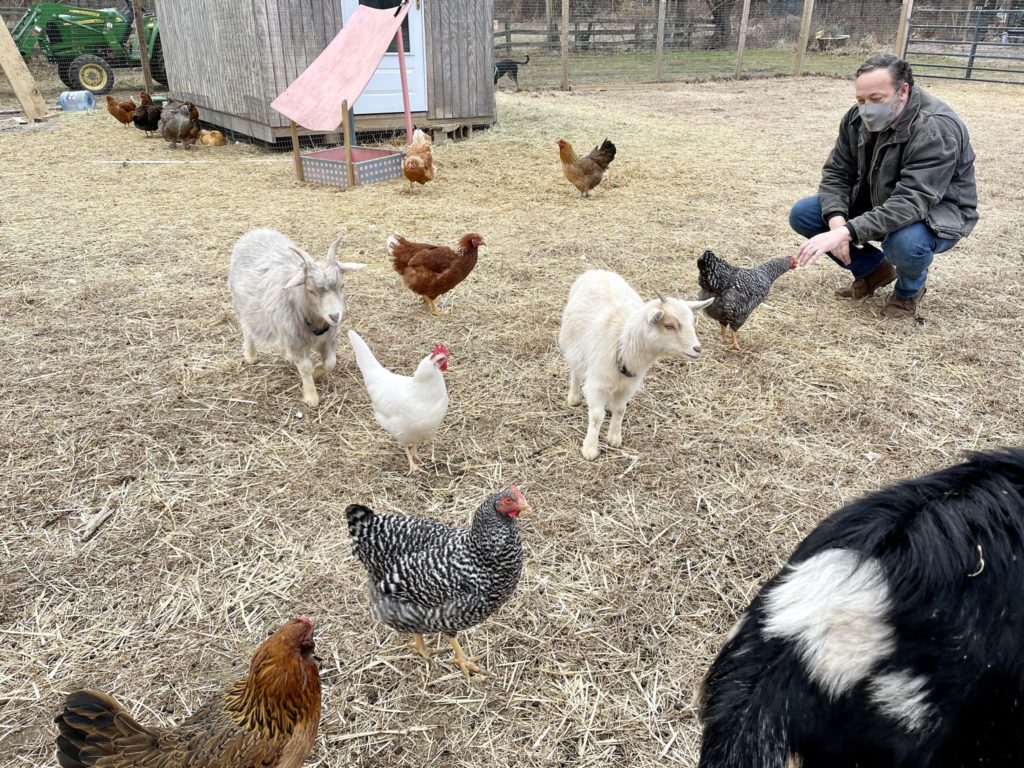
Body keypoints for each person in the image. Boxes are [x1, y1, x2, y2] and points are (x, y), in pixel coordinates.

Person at [790, 53, 978, 318]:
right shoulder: (855, 118)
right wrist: (835, 221)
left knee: (904, 241)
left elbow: (912, 202)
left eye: (876, 99)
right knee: (805, 213)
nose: (865, 108)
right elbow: (837, 173)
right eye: (860, 99)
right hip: (881, 200)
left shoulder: (936, 128)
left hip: (935, 212)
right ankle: (873, 270)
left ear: (902, 92)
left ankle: (908, 292)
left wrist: (845, 233)